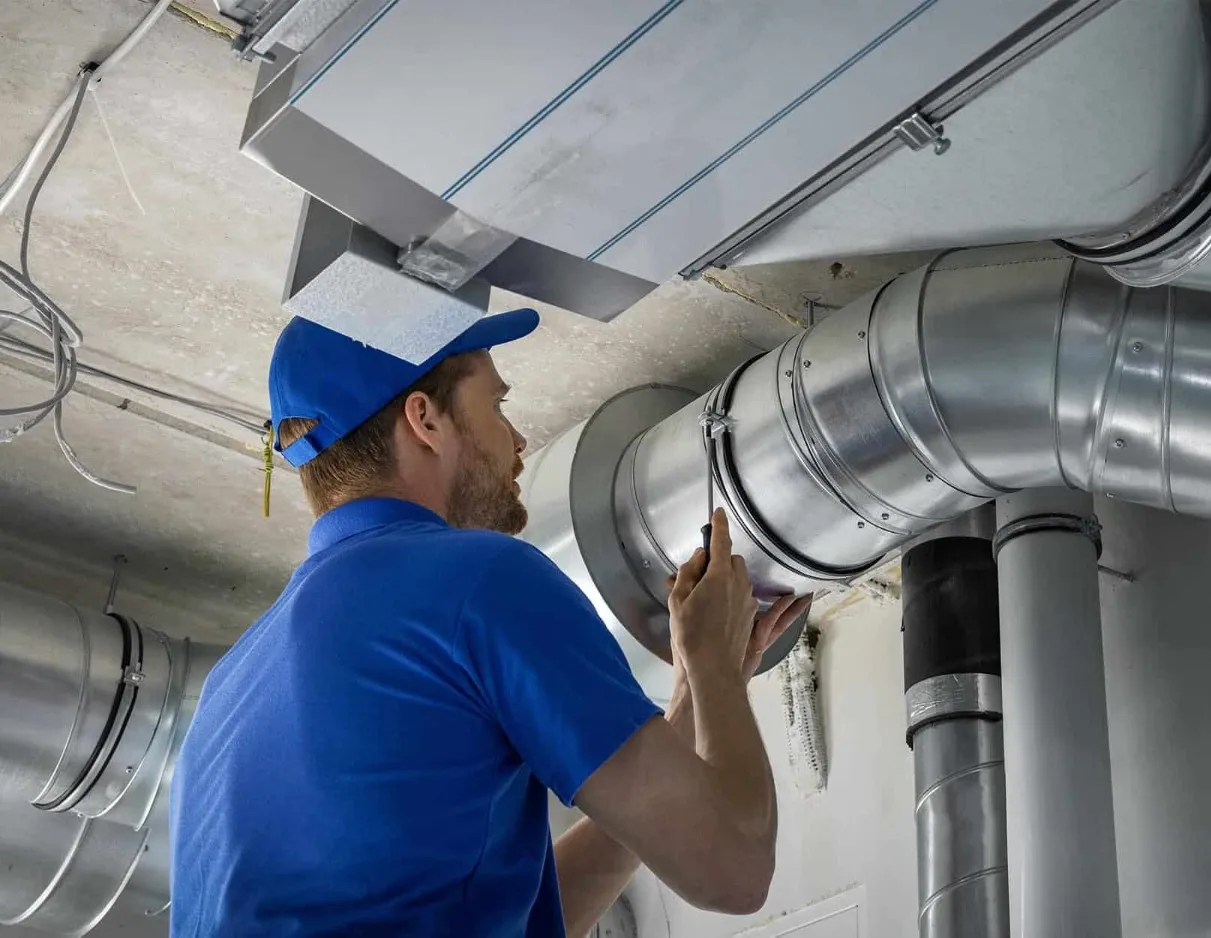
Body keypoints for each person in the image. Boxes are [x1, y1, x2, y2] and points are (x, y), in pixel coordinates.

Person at [170, 309, 811, 938]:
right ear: (424, 419)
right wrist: (717, 673)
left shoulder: (226, 693)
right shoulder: (479, 580)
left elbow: (516, 913)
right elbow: (735, 869)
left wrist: (691, 707)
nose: (519, 442)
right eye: (497, 407)